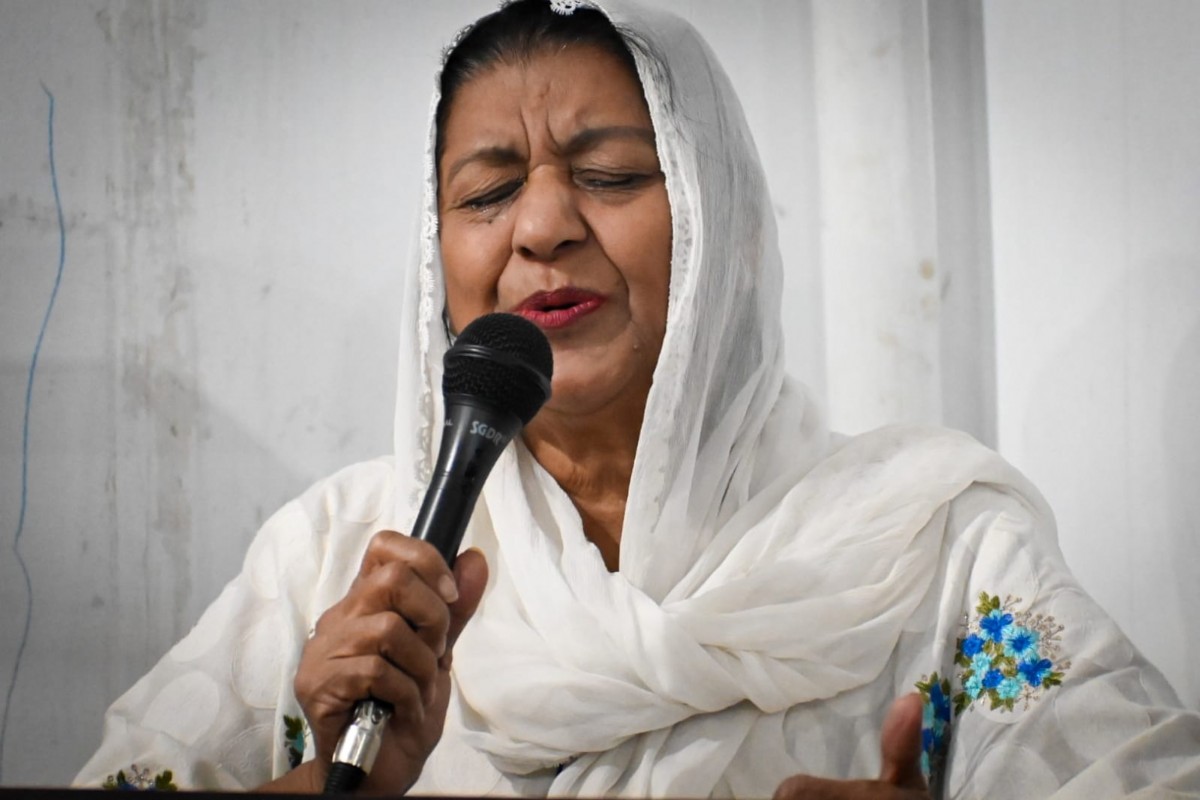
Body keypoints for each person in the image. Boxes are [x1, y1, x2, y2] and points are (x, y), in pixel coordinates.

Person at [75, 0, 1200, 796]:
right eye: (488, 191)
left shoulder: (938, 548)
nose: (542, 226)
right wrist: (331, 778)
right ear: (437, 260)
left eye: (610, 175)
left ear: (728, 231)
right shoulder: (334, 564)